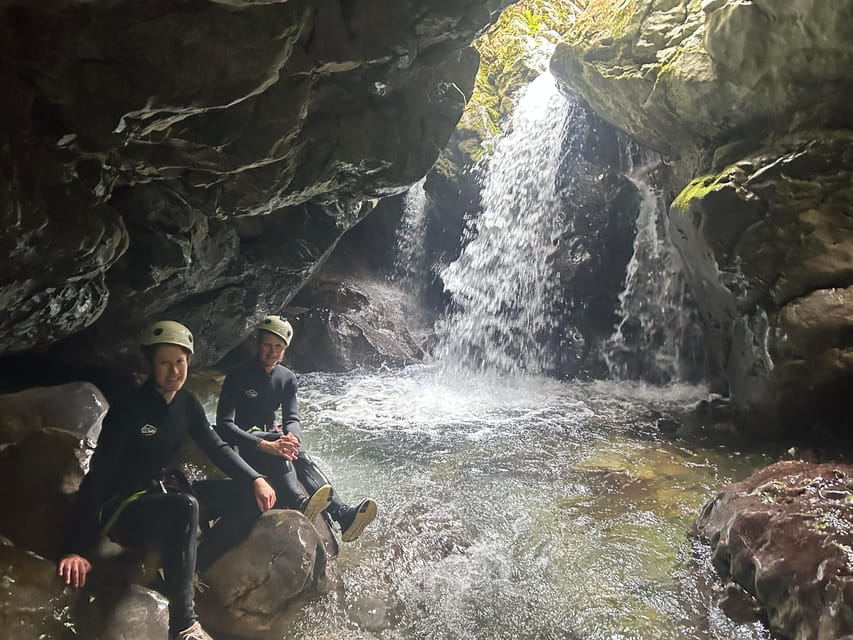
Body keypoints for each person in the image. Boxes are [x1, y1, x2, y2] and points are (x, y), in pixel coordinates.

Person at [57, 321, 277, 640]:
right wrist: (76, 548)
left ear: (189, 361)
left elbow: (217, 447)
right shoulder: (129, 409)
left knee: (247, 497)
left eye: (180, 361)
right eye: (164, 363)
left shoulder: (187, 404)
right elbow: (99, 476)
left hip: (166, 495)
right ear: (150, 364)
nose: (174, 371)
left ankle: (186, 570)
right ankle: (183, 625)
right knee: (185, 506)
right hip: (127, 510)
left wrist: (256, 478)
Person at [216, 315, 377, 542]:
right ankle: (299, 503)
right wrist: (265, 444)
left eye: (278, 347)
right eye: (267, 345)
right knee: (281, 449)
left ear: (285, 349)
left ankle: (343, 514)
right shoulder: (238, 374)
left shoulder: (287, 378)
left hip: (271, 437)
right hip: (244, 442)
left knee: (300, 454)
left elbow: (291, 417)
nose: (272, 352)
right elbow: (224, 425)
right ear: (258, 343)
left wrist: (293, 437)